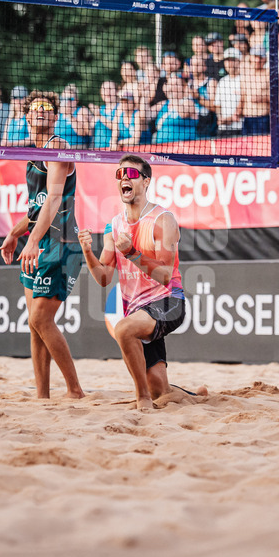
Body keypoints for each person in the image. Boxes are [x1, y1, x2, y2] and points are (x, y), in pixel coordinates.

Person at [77, 154, 205, 411]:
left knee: (124, 330)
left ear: (146, 182)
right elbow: (103, 278)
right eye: (120, 174)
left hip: (169, 302)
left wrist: (132, 253)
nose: (125, 177)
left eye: (132, 174)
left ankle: (142, 397)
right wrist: (88, 253)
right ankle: (186, 394)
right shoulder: (113, 226)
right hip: (137, 309)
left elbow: (166, 275)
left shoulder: (162, 220)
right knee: (161, 388)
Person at [0, 91, 85, 400]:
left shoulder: (57, 146)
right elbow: (36, 210)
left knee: (40, 318)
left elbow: (53, 199)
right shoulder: (30, 152)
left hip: (62, 243)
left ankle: (75, 391)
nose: (40, 112)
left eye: (47, 108)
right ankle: (42, 396)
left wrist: (31, 241)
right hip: (41, 239)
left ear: (55, 117)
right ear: (26, 118)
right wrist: (14, 233)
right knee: (34, 325)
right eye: (34, 108)